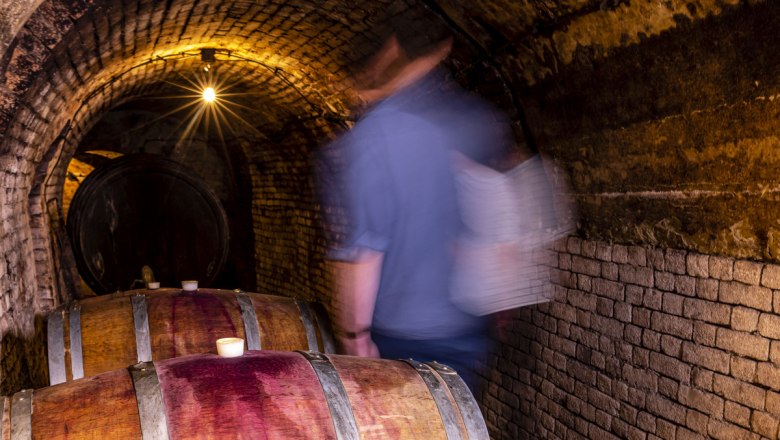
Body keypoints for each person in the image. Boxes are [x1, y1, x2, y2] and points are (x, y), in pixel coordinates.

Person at [318, 8, 511, 389]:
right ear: (442, 52)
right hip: (467, 327)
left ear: (388, 52)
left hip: (404, 334)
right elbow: (499, 219)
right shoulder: (475, 119)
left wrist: (354, 337)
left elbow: (364, 249)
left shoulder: (373, 137)